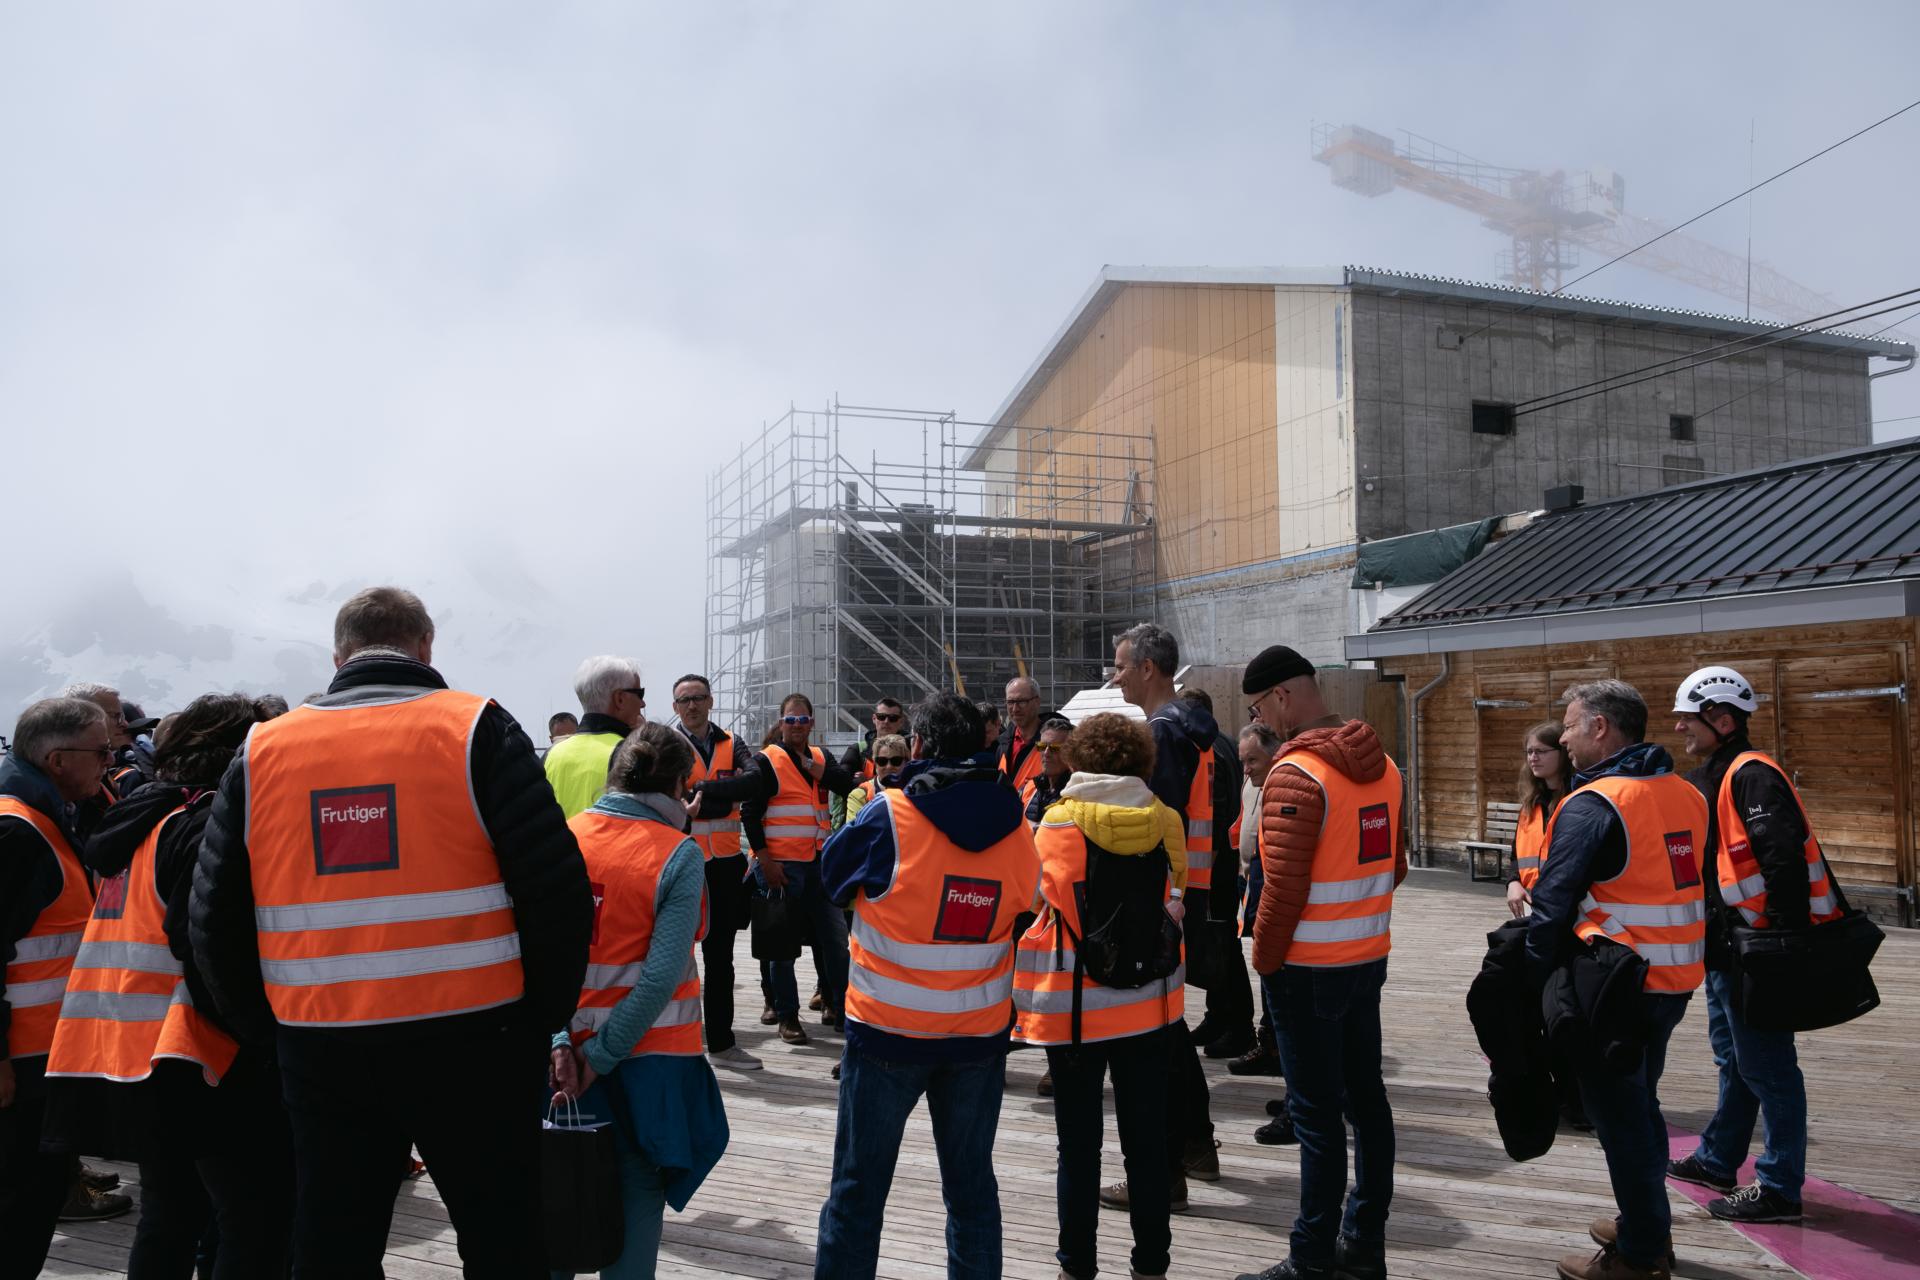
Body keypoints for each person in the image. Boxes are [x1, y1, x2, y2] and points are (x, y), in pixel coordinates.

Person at [189, 586, 594, 1278]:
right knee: (503, 1239)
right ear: (425, 647)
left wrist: (271, 1031)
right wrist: (538, 1022)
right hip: (477, 1041)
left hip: (322, 1046)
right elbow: (557, 894)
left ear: (338, 657)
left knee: (332, 1246)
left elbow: (213, 918)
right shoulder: (476, 728)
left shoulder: (262, 749)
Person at [43, 694, 296, 1280]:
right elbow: (207, 945)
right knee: (256, 1217)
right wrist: (259, 1035)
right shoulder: (204, 825)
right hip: (204, 1052)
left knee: (172, 1215)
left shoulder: (140, 822)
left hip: (133, 1052)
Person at [813, 692, 1040, 1280]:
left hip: (887, 1034)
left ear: (917, 746)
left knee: (857, 1193)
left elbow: (832, 878)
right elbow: (1024, 906)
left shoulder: (888, 814)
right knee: (971, 1193)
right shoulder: (1016, 824)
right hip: (977, 1037)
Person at [1526, 679, 1707, 1280]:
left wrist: (1529, 981)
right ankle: (1645, 1224)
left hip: (1614, 986)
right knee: (1640, 1103)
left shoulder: (1595, 803)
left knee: (1619, 1119)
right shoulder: (1685, 793)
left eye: (1569, 726)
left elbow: (1552, 903)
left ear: (1600, 727)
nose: (1564, 739)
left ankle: (1640, 1255)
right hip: (1673, 979)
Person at [1238, 644, 1405, 1280]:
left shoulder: (1296, 774)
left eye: (1259, 708)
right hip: (1367, 957)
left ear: (1282, 695)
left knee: (1315, 1118)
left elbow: (1281, 891)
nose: (1261, 720)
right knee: (1368, 1103)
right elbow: (1395, 866)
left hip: (1305, 969)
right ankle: (1363, 1244)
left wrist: (1264, 961)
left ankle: (1310, 1258)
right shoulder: (1384, 766)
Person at [1014, 712, 1189, 1280]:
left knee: (1078, 1146)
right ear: (1141, 761)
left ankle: (1076, 1267)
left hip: (1076, 1010)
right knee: (1146, 1141)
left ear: (1079, 759)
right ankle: (1152, 1266)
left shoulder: (1058, 822)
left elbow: (1037, 898)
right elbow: (1180, 888)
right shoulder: (1166, 819)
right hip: (1149, 1005)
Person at [552, 723, 730, 1280]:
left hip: (563, 1060)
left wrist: (562, 1043)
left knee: (556, 1196)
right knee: (637, 1192)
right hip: (649, 1065)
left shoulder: (565, 840)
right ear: (679, 786)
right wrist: (600, 1058)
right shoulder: (678, 855)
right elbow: (658, 980)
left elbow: (536, 958)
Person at [1666, 666, 1834, 1227]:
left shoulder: (1753, 776)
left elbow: (1782, 862)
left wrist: (1780, 944)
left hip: (1759, 950)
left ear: (1721, 719)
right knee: (1735, 1060)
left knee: (1770, 1068)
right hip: (1726, 949)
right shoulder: (1712, 775)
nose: (1679, 727)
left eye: (1687, 718)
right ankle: (1718, 1160)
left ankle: (1780, 1189)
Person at [1102, 622, 1220, 1207]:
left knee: (1154, 1035)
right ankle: (1195, 1146)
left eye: (1121, 666)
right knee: (1168, 1028)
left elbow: (1155, 824)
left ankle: (1165, 1173)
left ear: (1148, 668)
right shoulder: (1193, 728)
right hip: (1189, 890)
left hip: (1166, 897)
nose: (1115, 676)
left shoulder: (1163, 733)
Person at [1, 697, 111, 1277]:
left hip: (41, 1058)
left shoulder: (41, 819)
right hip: (19, 1069)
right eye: (102, 751)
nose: (110, 762)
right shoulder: (17, 831)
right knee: (21, 1208)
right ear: (58, 759)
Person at [693, 692, 859, 1047]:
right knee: (781, 949)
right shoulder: (766, 761)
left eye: (803, 720)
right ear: (781, 723)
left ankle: (845, 1011)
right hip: (782, 867)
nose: (797, 725)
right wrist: (766, 861)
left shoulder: (820, 757)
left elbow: (846, 785)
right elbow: (750, 815)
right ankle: (787, 1016)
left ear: (811, 723)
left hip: (819, 865)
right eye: (791, 719)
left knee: (835, 944)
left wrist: (813, 767)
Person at [667, 674, 760, 1072]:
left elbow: (755, 781)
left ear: (711, 700)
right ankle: (676, 1041)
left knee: (721, 959)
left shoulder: (731, 741)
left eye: (699, 697)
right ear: (675, 706)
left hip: (724, 866)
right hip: (680, 862)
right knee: (674, 957)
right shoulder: (666, 743)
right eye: (684, 699)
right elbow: (667, 795)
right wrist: (726, 793)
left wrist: (702, 790)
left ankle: (721, 1044)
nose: (692, 705)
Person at [1182, 689, 1254, 1062]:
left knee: (1223, 944)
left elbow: (1216, 807)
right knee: (1219, 942)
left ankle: (1239, 1028)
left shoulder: (1208, 748)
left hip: (1212, 867)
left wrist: (1204, 870)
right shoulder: (1223, 742)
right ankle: (1219, 1017)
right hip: (1219, 863)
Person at [1228, 723, 1287, 1096]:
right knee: (1262, 965)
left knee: (1272, 968)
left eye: (1253, 761)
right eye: (1243, 761)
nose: (1247, 769)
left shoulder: (1283, 782)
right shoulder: (1253, 781)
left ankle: (1275, 1046)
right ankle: (1269, 1042)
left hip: (1269, 883)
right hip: (1249, 879)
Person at [544, 656, 648, 818]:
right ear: (619, 699)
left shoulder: (549, 756)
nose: (643, 703)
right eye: (640, 694)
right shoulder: (632, 755)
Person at [1508, 722, 1571, 918]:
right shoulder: (1531, 804)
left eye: (1541, 751)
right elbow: (1516, 855)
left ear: (1563, 753)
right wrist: (1513, 882)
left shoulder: (1577, 801)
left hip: (1567, 908)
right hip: (1530, 905)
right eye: (1529, 752)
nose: (1533, 758)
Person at [831, 698, 906, 829]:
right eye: (882, 717)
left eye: (893, 718)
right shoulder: (857, 751)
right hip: (864, 815)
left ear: (901, 722)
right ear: (874, 719)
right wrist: (866, 785)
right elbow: (840, 784)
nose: (886, 721)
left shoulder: (913, 750)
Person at [998, 677, 1057, 799]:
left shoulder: (1056, 742)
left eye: (1021, 701)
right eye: (1010, 702)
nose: (1015, 709)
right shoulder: (1001, 744)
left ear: (1037, 702)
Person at [842, 734, 908, 824]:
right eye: (882, 761)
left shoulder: (915, 791)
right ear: (875, 763)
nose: (889, 766)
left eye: (896, 761)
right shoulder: (860, 795)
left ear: (906, 762)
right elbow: (854, 832)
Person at [1022, 718, 1073, 826]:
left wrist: (1030, 828)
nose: (1046, 753)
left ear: (1071, 751)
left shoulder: (1076, 792)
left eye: (1054, 748)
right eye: (1042, 746)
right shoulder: (1030, 787)